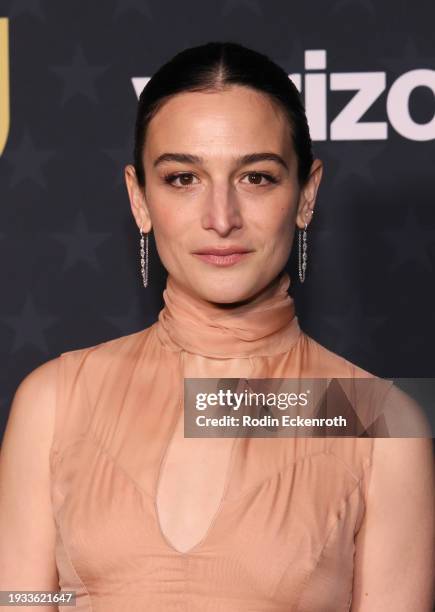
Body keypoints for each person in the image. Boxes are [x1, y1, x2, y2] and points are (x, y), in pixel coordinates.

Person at [0, 41, 433, 611]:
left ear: (306, 195)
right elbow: (23, 601)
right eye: (183, 178)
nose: (221, 218)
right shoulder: (54, 402)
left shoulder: (372, 419)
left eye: (256, 178)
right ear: (139, 198)